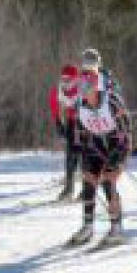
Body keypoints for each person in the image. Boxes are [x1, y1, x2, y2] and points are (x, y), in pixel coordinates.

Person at [69, 66, 131, 245]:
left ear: (96, 86)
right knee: (88, 180)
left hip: (116, 143)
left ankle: (117, 227)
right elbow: (80, 129)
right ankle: (87, 227)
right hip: (95, 144)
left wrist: (119, 156)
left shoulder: (111, 101)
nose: (83, 90)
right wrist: (79, 147)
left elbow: (125, 130)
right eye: (81, 86)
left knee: (107, 180)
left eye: (87, 86)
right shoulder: (80, 104)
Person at [49, 64, 82, 200]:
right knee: (70, 154)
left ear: (75, 78)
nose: (65, 81)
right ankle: (69, 188)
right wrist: (58, 122)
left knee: (83, 155)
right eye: (63, 78)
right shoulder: (59, 90)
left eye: (69, 79)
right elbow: (53, 104)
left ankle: (87, 188)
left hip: (84, 123)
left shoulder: (82, 88)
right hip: (70, 122)